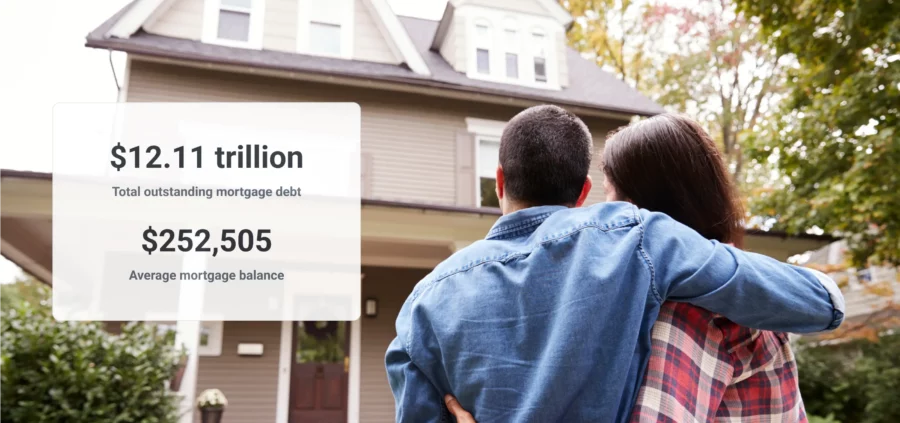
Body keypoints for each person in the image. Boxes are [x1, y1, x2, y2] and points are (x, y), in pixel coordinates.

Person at [385, 105, 843, 423]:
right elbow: (818, 306)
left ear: (498, 181)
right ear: (583, 192)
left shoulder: (422, 303)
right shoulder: (639, 238)